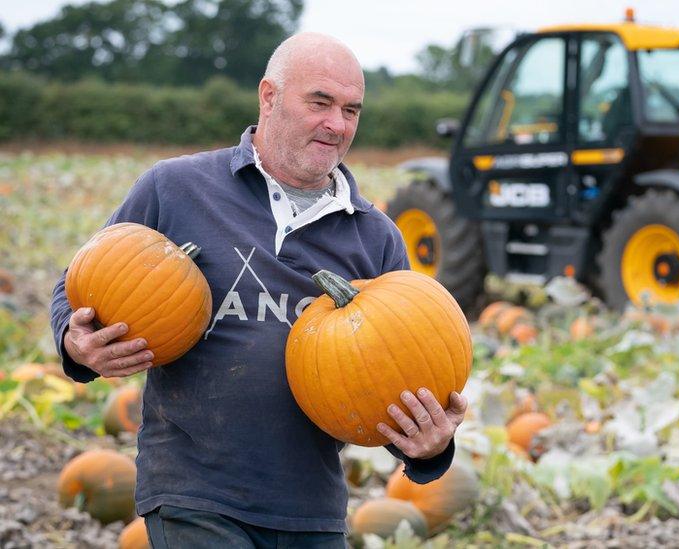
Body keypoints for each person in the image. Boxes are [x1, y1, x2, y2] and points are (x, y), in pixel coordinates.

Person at [49, 32, 466, 548]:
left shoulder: (375, 236)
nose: (337, 125)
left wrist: (429, 449)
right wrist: (75, 341)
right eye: (320, 103)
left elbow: (402, 375)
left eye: (351, 110)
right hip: (194, 492)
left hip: (311, 506)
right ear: (269, 96)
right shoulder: (176, 189)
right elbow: (78, 286)